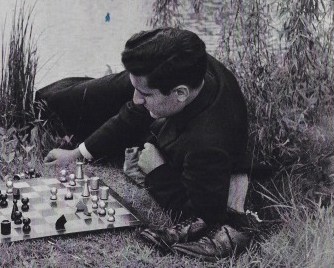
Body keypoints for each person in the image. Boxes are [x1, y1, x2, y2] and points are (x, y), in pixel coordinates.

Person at [40, 28, 259, 260]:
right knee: (49, 103)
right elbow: (136, 109)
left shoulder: (208, 145)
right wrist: (77, 153)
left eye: (143, 94)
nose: (134, 99)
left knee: (67, 106)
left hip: (173, 113)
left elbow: (199, 215)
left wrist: (157, 170)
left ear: (181, 93)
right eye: (136, 90)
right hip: (154, 86)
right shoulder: (186, 66)